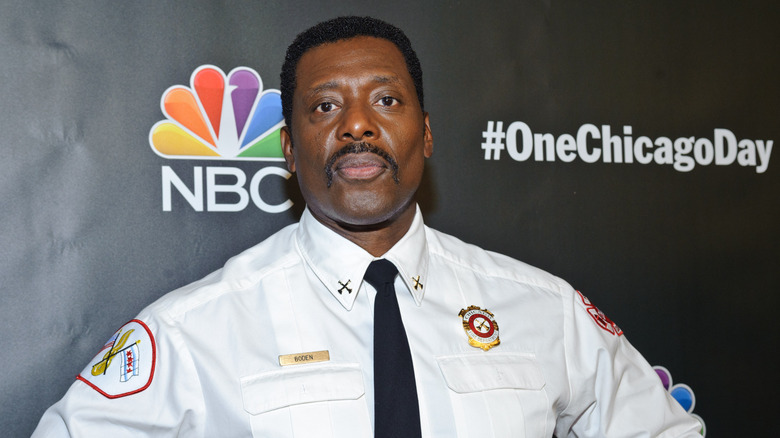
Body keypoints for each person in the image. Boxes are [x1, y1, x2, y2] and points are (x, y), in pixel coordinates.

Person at [33, 16, 702, 437]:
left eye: (386, 100)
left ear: (427, 133)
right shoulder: (194, 332)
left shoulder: (542, 309)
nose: (357, 124)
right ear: (290, 150)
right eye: (325, 106)